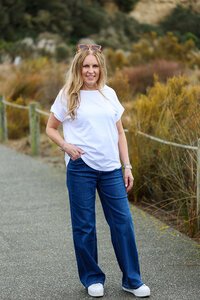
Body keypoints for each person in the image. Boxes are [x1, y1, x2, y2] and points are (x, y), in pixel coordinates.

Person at [46, 44, 150, 298]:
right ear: (78, 68)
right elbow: (50, 128)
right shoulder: (68, 95)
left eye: (94, 66)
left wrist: (127, 166)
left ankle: (132, 280)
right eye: (86, 66)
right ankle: (92, 278)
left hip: (112, 169)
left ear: (100, 68)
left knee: (123, 223)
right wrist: (66, 146)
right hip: (81, 168)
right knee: (84, 226)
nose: (90, 71)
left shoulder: (109, 94)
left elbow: (119, 133)